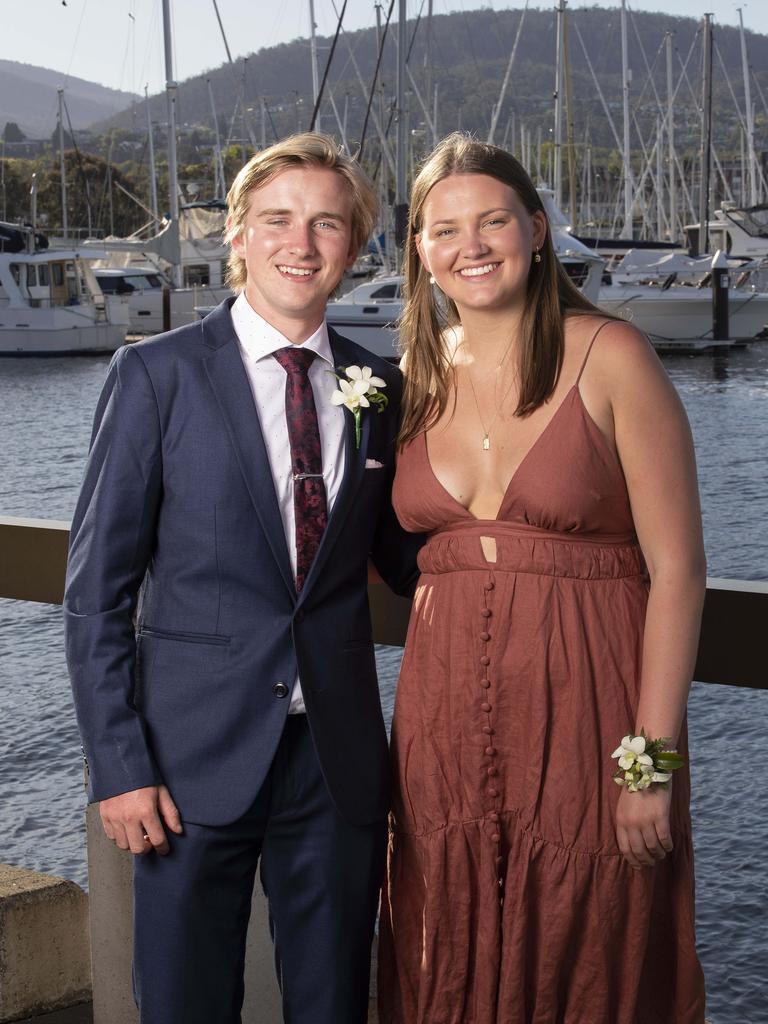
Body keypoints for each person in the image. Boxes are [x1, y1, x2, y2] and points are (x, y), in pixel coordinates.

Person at [63, 132, 422, 1024]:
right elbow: (95, 593)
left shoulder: (378, 387)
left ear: (355, 244)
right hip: (185, 765)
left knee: (334, 1003)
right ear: (236, 231)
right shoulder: (155, 375)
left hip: (334, 765)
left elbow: (415, 562)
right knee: (185, 1004)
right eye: (278, 219)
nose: (301, 242)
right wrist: (119, 767)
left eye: (327, 223)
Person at [377, 133, 707, 1023]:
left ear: (537, 227)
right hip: (442, 726)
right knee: (442, 930)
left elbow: (677, 574)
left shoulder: (613, 357)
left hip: (591, 721)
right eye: (445, 229)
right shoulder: (408, 379)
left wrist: (650, 766)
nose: (471, 245)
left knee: (589, 937)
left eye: (493, 221)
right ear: (419, 250)